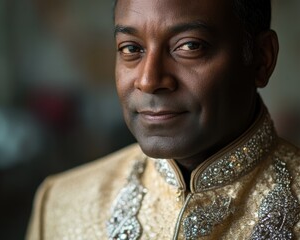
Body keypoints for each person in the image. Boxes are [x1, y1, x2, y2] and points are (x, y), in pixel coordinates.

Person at [27, 0, 300, 239]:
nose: (148, 80)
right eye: (131, 48)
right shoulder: (62, 204)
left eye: (189, 46)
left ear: (262, 58)